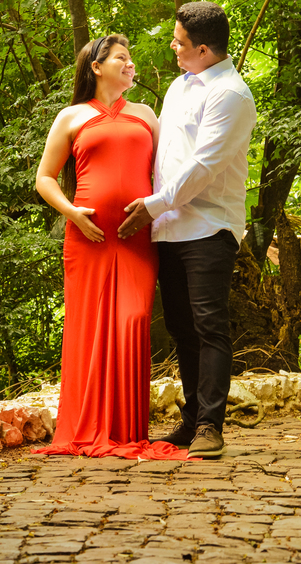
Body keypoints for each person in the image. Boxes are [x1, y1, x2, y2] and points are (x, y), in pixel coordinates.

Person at [31, 35, 189, 460]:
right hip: (88, 238)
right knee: (89, 328)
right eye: (122, 57)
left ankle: (126, 428)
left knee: (132, 320)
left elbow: (171, 169)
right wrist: (73, 212)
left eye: (131, 58)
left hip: (137, 238)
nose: (130, 64)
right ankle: (88, 426)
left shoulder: (146, 115)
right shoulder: (71, 116)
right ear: (96, 67)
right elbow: (44, 178)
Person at [118, 1, 257, 459]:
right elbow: (164, 155)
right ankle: (193, 417)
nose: (173, 48)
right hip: (168, 229)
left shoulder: (232, 95)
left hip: (209, 227)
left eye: (178, 42)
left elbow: (204, 166)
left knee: (209, 325)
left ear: (202, 48)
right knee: (181, 328)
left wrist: (152, 204)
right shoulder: (179, 87)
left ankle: (211, 427)